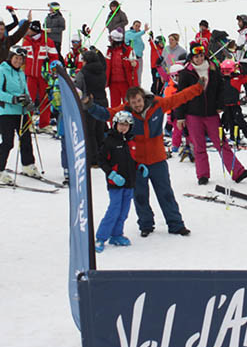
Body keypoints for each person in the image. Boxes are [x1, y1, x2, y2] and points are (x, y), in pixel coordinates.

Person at [86, 84, 203, 237]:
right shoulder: (125, 111)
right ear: (129, 102)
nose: (137, 105)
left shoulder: (158, 104)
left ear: (144, 98)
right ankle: (146, 224)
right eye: (133, 103)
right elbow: (107, 114)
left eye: (139, 101)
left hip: (158, 159)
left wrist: (199, 87)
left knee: (166, 193)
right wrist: (90, 106)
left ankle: (176, 224)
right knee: (140, 196)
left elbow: (179, 98)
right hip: (135, 162)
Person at [173, 42, 247, 185]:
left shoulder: (213, 70)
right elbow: (180, 96)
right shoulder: (186, 73)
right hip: (193, 115)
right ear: (191, 57)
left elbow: (220, 89)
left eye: (201, 55)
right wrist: (180, 117)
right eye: (196, 56)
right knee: (199, 146)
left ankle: (238, 172)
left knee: (222, 143)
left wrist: (220, 105)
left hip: (211, 114)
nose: (199, 58)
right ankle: (202, 175)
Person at [0, 45, 40, 183]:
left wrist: (29, 103)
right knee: (7, 142)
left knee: (26, 139)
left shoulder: (21, 73)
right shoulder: (1, 72)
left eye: (21, 59)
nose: (18, 61)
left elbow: (25, 91)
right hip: (6, 112)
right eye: (16, 58)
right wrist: (14, 98)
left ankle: (28, 165)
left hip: (20, 111)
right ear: (10, 57)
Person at [94, 111, 136, 252]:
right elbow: (101, 160)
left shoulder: (131, 140)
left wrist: (139, 166)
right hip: (115, 184)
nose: (123, 128)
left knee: (124, 211)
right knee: (114, 210)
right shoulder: (109, 141)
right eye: (121, 124)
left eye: (126, 125)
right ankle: (101, 237)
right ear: (115, 124)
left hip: (129, 183)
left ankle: (117, 234)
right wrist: (111, 174)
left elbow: (133, 158)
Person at [21, 20, 60, 134]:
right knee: (30, 99)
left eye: (29, 29)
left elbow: (54, 58)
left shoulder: (48, 41)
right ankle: (29, 123)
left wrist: (51, 71)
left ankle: (44, 124)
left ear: (34, 30)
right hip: (30, 75)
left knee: (45, 99)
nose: (27, 31)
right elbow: (23, 57)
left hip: (44, 76)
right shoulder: (26, 41)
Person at [74, 49, 107, 166]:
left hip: (90, 103)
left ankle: (93, 159)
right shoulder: (102, 70)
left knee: (90, 132)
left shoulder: (83, 72)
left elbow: (78, 88)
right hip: (103, 101)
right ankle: (103, 156)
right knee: (100, 131)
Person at [105, 29, 138, 107]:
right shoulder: (109, 51)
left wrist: (134, 64)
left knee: (128, 104)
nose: (110, 41)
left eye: (111, 39)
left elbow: (135, 65)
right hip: (113, 84)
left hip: (125, 83)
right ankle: (114, 118)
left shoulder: (128, 50)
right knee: (114, 105)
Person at [124, 20, 147, 85]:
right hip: (132, 58)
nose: (137, 27)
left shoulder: (138, 35)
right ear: (133, 25)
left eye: (139, 26)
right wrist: (144, 31)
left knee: (138, 76)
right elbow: (133, 37)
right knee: (132, 76)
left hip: (139, 58)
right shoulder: (128, 33)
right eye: (136, 25)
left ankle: (138, 89)